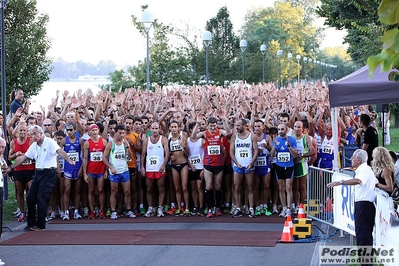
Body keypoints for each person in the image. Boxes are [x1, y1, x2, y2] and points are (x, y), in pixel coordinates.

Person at [5, 125, 75, 231]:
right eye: (32, 134)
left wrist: (69, 160)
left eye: (35, 134)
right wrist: (11, 167)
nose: (33, 136)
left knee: (41, 198)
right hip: (38, 172)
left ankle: (41, 224)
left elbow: (60, 151)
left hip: (49, 172)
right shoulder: (34, 146)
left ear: (41, 133)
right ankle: (31, 223)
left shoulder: (50, 142)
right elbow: (23, 158)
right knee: (30, 198)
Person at [327, 149, 377, 258]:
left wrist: (340, 182)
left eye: (353, 157)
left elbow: (358, 181)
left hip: (364, 206)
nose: (351, 159)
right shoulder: (366, 170)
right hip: (363, 205)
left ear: (359, 160)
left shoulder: (364, 169)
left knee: (363, 237)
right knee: (362, 236)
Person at [191, 116, 231, 218]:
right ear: (208, 125)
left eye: (214, 126)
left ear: (216, 125)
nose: (213, 128)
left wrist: (224, 120)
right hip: (208, 164)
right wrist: (197, 123)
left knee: (218, 186)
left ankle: (217, 207)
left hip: (218, 163)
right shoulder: (205, 133)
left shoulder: (220, 132)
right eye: (211, 126)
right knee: (208, 186)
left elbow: (229, 133)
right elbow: (193, 136)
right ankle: (209, 208)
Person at [102, 124, 135, 219]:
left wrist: (128, 147)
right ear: (115, 133)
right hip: (114, 172)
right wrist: (110, 167)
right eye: (120, 133)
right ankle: (113, 211)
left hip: (124, 170)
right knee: (114, 191)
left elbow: (130, 156)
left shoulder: (125, 143)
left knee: (127, 191)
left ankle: (128, 210)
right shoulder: (111, 144)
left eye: (123, 133)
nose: (122, 135)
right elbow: (104, 158)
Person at [230, 118, 259, 218]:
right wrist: (236, 162)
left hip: (248, 165)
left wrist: (252, 162)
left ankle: (251, 208)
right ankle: (238, 208)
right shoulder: (234, 137)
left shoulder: (252, 136)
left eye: (238, 126)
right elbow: (231, 151)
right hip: (238, 165)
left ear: (243, 126)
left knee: (250, 187)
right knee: (237, 187)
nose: (236, 128)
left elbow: (256, 150)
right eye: (235, 126)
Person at [141, 122, 170, 217]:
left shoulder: (163, 139)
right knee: (149, 188)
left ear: (159, 129)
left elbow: (167, 153)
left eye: (156, 128)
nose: (154, 130)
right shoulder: (147, 140)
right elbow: (143, 154)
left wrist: (163, 165)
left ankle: (160, 208)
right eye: (153, 128)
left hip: (159, 168)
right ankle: (150, 207)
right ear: (150, 129)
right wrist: (142, 167)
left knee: (161, 188)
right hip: (149, 168)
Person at [8, 123, 35, 222]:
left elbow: (35, 154)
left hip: (30, 170)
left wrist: (27, 156)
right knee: (19, 191)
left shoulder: (30, 141)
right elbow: (9, 157)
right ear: (17, 132)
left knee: (31, 191)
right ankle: (22, 212)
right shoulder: (13, 142)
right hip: (18, 170)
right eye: (21, 130)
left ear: (27, 132)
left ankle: (31, 211)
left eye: (24, 130)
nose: (23, 132)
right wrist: (15, 155)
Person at [270, 123, 298, 218]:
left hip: (289, 166)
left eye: (282, 129)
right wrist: (274, 145)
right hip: (279, 166)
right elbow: (272, 155)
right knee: (281, 188)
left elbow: (295, 155)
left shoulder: (292, 139)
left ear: (286, 130)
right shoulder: (276, 140)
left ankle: (289, 208)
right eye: (279, 129)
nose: (280, 131)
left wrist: (289, 146)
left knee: (288, 188)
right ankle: (284, 207)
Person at [82, 124, 108, 219]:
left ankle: (101, 210)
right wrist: (84, 173)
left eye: (96, 130)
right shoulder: (87, 143)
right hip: (91, 170)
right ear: (89, 132)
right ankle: (92, 211)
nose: (94, 132)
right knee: (91, 190)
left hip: (101, 169)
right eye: (92, 130)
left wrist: (106, 170)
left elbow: (106, 157)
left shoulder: (104, 142)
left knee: (101, 190)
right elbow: (85, 158)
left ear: (98, 131)